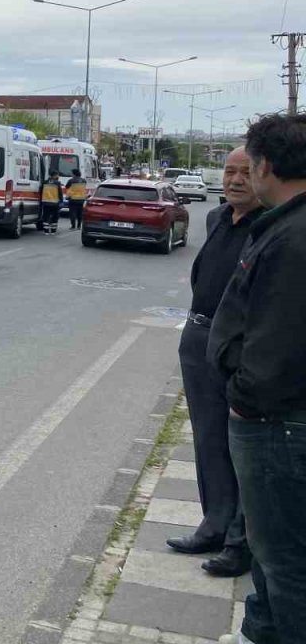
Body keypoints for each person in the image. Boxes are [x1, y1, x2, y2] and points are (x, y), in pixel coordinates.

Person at [209, 114, 306, 644]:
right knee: (272, 556)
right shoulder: (285, 223)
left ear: (266, 164)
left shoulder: (292, 237)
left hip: (276, 424)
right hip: (277, 420)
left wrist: (243, 401)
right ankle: (262, 630)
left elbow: (277, 345)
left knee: (285, 561)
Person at [166, 148, 262, 578]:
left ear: (262, 175)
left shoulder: (269, 227)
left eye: (245, 172)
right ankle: (214, 524)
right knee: (207, 439)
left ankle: (241, 543)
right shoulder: (217, 219)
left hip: (238, 347)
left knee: (239, 443)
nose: (235, 179)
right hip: (198, 337)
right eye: (229, 171)